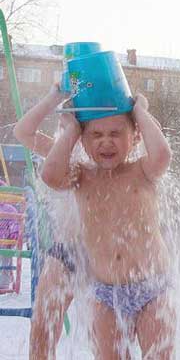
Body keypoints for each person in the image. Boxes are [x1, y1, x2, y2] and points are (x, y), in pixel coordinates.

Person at [40, 86, 174, 359]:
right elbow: (50, 176)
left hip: (152, 289)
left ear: (134, 136)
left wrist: (140, 111)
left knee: (160, 355)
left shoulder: (142, 171)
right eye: (96, 135)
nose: (106, 142)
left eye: (116, 134)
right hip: (106, 294)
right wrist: (73, 130)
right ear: (84, 141)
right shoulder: (81, 176)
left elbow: (162, 154)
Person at [13, 83, 83, 359]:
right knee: (42, 329)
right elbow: (23, 131)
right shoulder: (58, 152)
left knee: (109, 341)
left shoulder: (106, 152)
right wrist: (55, 95)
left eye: (70, 123)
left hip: (106, 255)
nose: (64, 128)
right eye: (62, 123)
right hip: (64, 251)